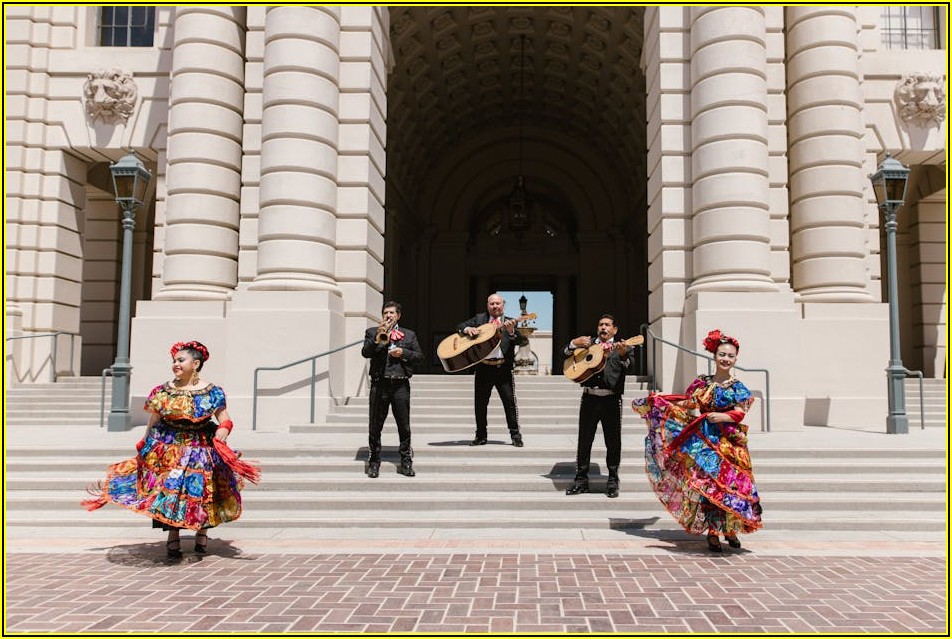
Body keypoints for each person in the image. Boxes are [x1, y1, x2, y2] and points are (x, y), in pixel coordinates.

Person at [82, 340, 259, 559]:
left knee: (200, 491)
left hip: (200, 448)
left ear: (195, 363)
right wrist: (144, 442)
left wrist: (224, 430)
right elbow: (153, 421)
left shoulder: (212, 392)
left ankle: (201, 533)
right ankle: (172, 536)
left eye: (181, 360)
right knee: (168, 492)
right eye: (174, 360)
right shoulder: (162, 391)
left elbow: (225, 418)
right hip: (168, 448)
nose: (175, 364)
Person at [632, 329, 763, 552]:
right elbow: (689, 403)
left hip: (730, 443)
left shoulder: (737, 387)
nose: (726, 359)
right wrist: (663, 402)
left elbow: (740, 411)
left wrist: (722, 416)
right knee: (709, 486)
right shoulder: (701, 384)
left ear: (735, 359)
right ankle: (713, 533)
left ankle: (730, 529)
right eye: (722, 354)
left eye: (730, 356)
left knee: (730, 486)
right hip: (703, 441)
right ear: (714, 356)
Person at [563, 314, 637, 498]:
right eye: (600, 324)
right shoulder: (587, 344)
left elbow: (631, 366)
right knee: (584, 441)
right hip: (589, 398)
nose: (603, 327)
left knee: (613, 442)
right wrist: (573, 343)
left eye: (607, 325)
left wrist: (623, 354)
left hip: (611, 400)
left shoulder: (622, 346)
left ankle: (612, 481)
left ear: (615, 329)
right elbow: (564, 354)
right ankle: (581, 480)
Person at [361, 301, 425, 478]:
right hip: (379, 384)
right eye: (385, 312)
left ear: (398, 315)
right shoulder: (372, 332)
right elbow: (365, 353)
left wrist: (403, 353)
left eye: (391, 313)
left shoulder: (409, 335)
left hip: (400, 385)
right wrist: (377, 338)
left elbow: (420, 357)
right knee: (375, 425)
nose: (388, 315)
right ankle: (374, 461)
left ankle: (405, 462)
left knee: (404, 426)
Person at [457, 294, 528, 447]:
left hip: (503, 368)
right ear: (488, 305)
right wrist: (468, 329)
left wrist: (510, 332)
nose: (495, 306)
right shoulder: (479, 319)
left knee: (509, 403)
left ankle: (515, 435)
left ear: (503, 305)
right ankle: (481, 436)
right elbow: (460, 326)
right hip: (483, 368)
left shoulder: (510, 322)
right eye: (492, 303)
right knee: (480, 404)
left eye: (498, 303)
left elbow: (522, 341)